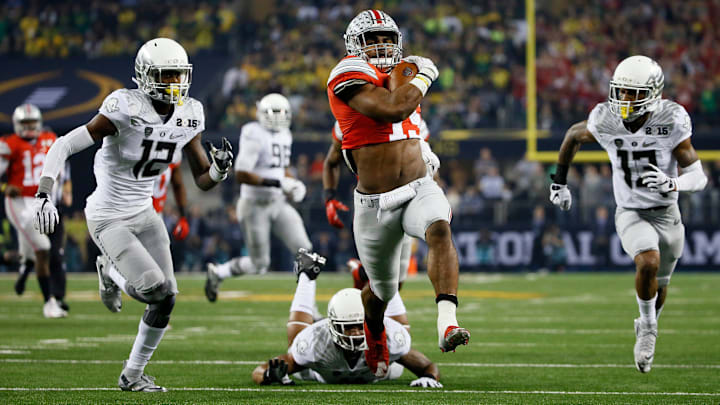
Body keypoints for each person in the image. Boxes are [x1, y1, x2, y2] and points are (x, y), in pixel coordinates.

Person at [32, 37, 233, 391]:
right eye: (166, 76)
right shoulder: (124, 106)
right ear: (145, 75)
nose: (175, 84)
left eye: (178, 76)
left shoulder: (190, 113)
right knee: (153, 289)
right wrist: (45, 193)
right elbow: (63, 144)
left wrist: (218, 170)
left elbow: (202, 180)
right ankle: (109, 269)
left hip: (145, 214)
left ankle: (132, 375)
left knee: (168, 297)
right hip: (108, 215)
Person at [326, 9, 469, 377]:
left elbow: (407, 119)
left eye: (387, 38)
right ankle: (375, 334)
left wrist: (422, 150)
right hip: (375, 205)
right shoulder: (347, 73)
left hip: (419, 186)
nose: (381, 45)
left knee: (439, 227)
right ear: (354, 44)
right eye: (372, 38)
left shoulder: (399, 74)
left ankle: (447, 322)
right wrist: (424, 75)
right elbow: (393, 109)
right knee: (382, 291)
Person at [549, 55, 707, 373]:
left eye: (633, 92)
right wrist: (559, 183)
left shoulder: (671, 119)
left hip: (667, 211)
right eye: (621, 91)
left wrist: (672, 182)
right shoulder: (605, 119)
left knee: (660, 285)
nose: (624, 99)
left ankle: (648, 321)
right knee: (648, 261)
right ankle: (648, 330)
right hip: (631, 211)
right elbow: (571, 137)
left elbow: (699, 176)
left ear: (653, 92)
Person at [251, 249, 442, 388]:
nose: (357, 333)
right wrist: (268, 376)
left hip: (381, 373)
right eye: (349, 327)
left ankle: (375, 279)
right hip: (320, 374)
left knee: (401, 333)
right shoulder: (316, 342)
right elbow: (260, 370)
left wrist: (429, 378)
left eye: (360, 326)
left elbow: (427, 366)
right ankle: (307, 275)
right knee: (296, 342)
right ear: (332, 326)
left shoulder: (389, 337)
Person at [324, 117, 439, 328]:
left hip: (406, 201)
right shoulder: (348, 118)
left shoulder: (414, 118)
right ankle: (374, 342)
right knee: (386, 289)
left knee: (397, 281)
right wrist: (329, 196)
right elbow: (332, 161)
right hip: (372, 205)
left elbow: (427, 163)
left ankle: (363, 277)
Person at [204, 93, 311, 302]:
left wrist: (294, 182)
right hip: (254, 205)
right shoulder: (253, 132)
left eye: (282, 113)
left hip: (278, 202)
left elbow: (281, 168)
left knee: (306, 251)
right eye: (274, 113)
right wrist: (279, 183)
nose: (278, 118)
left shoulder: (285, 134)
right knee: (259, 264)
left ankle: (307, 306)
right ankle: (219, 272)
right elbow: (242, 174)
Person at [1, 103, 67, 318]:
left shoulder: (50, 139)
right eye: (25, 123)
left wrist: (64, 189)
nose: (29, 127)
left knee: (31, 251)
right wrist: (4, 187)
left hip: (42, 201)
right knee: (43, 247)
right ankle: (49, 303)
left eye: (32, 123)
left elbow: (60, 170)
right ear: (17, 124)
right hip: (19, 202)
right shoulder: (8, 144)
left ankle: (23, 265)